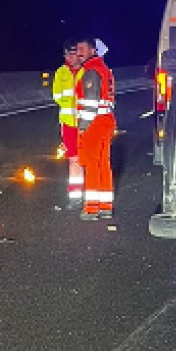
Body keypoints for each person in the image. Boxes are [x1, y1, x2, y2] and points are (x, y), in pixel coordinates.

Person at [74, 37, 116, 220]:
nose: (79, 52)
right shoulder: (104, 69)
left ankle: (91, 208)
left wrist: (83, 128)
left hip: (95, 122)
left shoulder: (91, 71)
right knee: (103, 163)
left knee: (91, 164)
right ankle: (106, 206)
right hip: (107, 120)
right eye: (77, 49)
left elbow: (90, 102)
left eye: (83, 48)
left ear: (93, 51)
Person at [51, 41, 84, 207]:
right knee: (74, 160)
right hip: (69, 124)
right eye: (66, 55)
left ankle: (93, 193)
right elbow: (57, 96)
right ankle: (75, 196)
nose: (69, 58)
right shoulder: (61, 73)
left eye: (72, 54)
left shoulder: (88, 71)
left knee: (89, 159)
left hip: (87, 123)